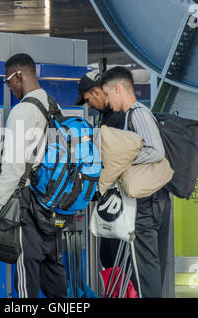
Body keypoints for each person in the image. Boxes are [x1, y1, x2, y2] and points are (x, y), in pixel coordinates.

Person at [0, 53, 71, 298]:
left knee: (26, 274)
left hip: (28, 207)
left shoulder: (22, 111)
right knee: (53, 271)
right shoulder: (53, 105)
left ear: (18, 76)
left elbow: (15, 168)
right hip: (52, 202)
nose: (10, 88)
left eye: (9, 81)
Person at [100, 66, 171, 298]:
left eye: (108, 95)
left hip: (146, 205)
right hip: (151, 202)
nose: (108, 102)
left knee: (144, 270)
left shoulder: (137, 112)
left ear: (117, 88)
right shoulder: (135, 114)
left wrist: (123, 162)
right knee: (147, 266)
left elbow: (156, 150)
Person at [76, 71, 126, 270]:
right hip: (112, 202)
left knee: (115, 258)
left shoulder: (118, 117)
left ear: (96, 91)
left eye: (87, 100)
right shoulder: (108, 116)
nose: (88, 105)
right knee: (108, 256)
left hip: (121, 203)